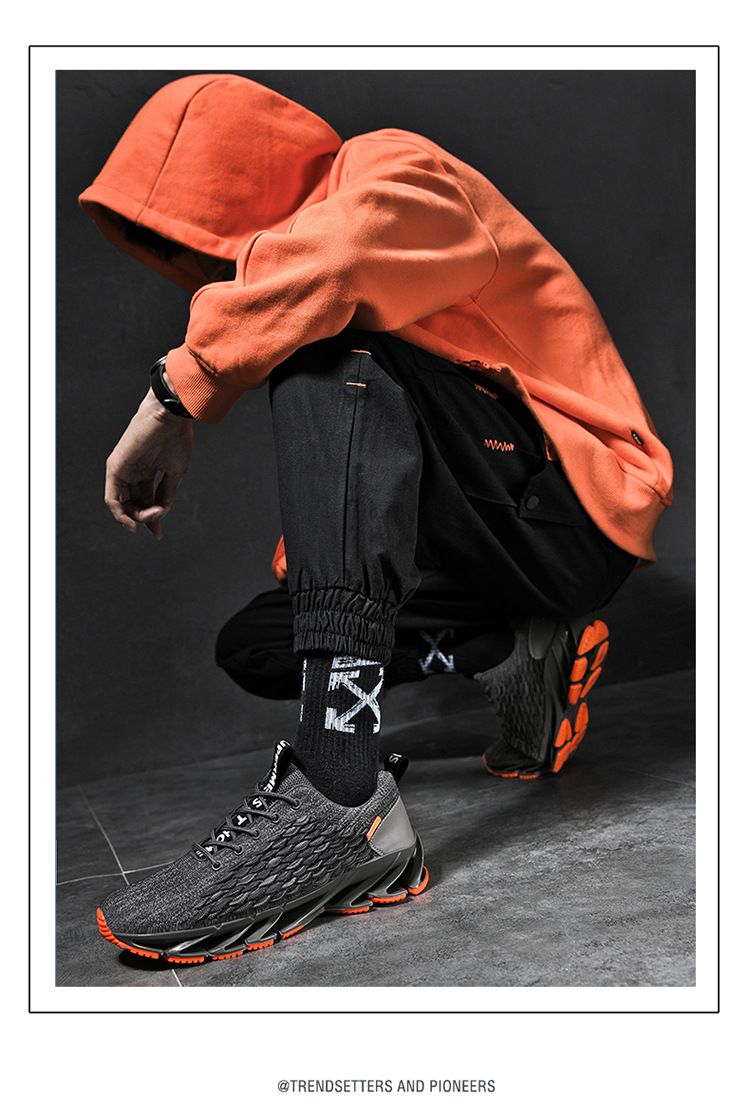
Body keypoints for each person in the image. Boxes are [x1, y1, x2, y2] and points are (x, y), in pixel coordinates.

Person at [80, 73, 672, 965]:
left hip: (570, 510)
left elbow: (340, 260)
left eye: (195, 239)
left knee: (325, 334)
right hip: (479, 539)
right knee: (260, 643)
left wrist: (174, 395)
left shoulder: (390, 165)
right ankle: (513, 651)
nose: (207, 274)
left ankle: (340, 797)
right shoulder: (306, 263)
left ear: (235, 179)